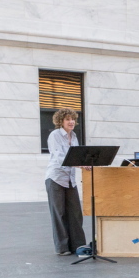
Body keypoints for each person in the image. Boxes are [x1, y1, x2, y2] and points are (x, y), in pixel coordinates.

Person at [44, 108, 88, 256]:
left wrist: (86, 163)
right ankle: (62, 248)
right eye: (68, 119)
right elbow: (60, 158)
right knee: (59, 214)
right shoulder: (55, 135)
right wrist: (80, 164)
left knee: (75, 213)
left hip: (70, 179)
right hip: (55, 178)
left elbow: (76, 155)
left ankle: (78, 245)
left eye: (73, 119)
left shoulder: (74, 136)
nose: (71, 122)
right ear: (61, 121)